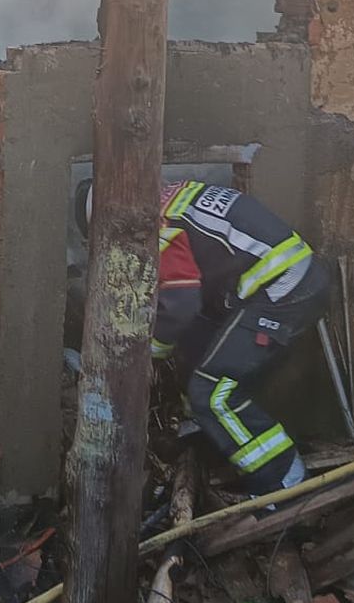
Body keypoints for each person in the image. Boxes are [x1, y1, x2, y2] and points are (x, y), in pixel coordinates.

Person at [78, 176, 329, 495]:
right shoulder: (172, 196)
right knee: (200, 342)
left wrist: (150, 353)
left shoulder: (159, 225)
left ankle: (284, 482)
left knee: (212, 393)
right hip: (282, 280)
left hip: (282, 290)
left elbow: (181, 305)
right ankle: (204, 433)